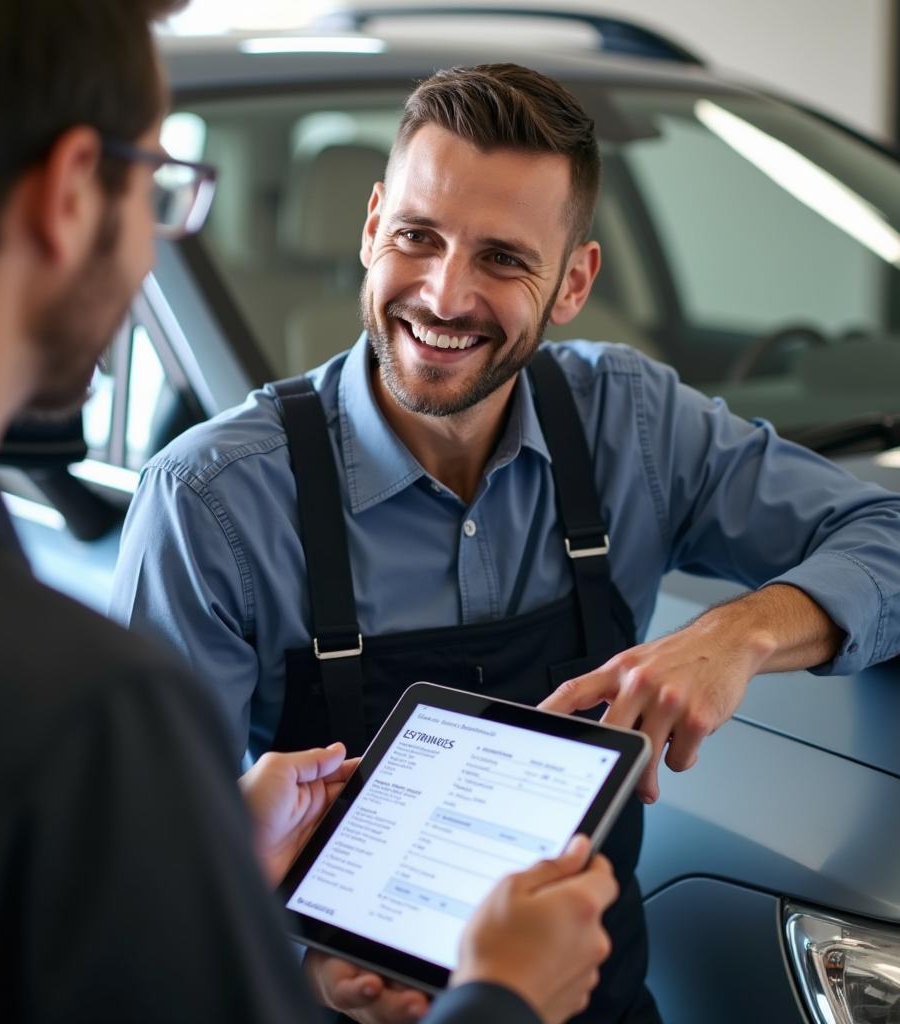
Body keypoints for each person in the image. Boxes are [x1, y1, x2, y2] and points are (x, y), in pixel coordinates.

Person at [111, 61, 900, 1024]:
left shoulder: (632, 424)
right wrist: (300, 966)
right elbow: (145, 877)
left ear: (573, 282)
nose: (444, 296)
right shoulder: (213, 502)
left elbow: (885, 529)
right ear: (371, 229)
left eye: (502, 259)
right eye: (417, 236)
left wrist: (738, 636)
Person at [0, 6, 620, 1023]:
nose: (153, 238)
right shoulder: (76, 705)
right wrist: (499, 997)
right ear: (70, 193)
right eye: (157, 185)